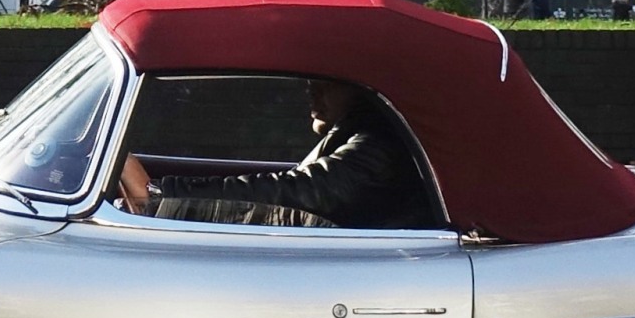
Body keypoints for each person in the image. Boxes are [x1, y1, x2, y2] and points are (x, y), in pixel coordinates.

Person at [119, 79, 438, 230]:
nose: (312, 89)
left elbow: (304, 192)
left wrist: (158, 194)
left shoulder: (380, 146)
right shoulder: (361, 134)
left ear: (366, 87)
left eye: (329, 80)